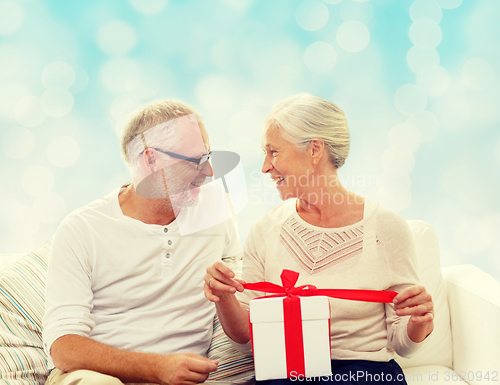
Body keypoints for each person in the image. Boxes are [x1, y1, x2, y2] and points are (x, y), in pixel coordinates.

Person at [204, 93, 434, 384]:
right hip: (288, 373)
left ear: (314, 150)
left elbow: (403, 343)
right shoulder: (265, 230)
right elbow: (247, 339)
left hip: (364, 374)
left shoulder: (386, 229)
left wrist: (419, 321)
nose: (265, 166)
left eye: (274, 152)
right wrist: (223, 296)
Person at [43, 99, 242, 385]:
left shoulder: (216, 209)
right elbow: (64, 347)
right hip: (97, 376)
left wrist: (225, 293)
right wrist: (156, 368)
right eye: (197, 160)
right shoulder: (82, 229)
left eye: (209, 156)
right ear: (151, 159)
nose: (210, 171)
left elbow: (241, 326)